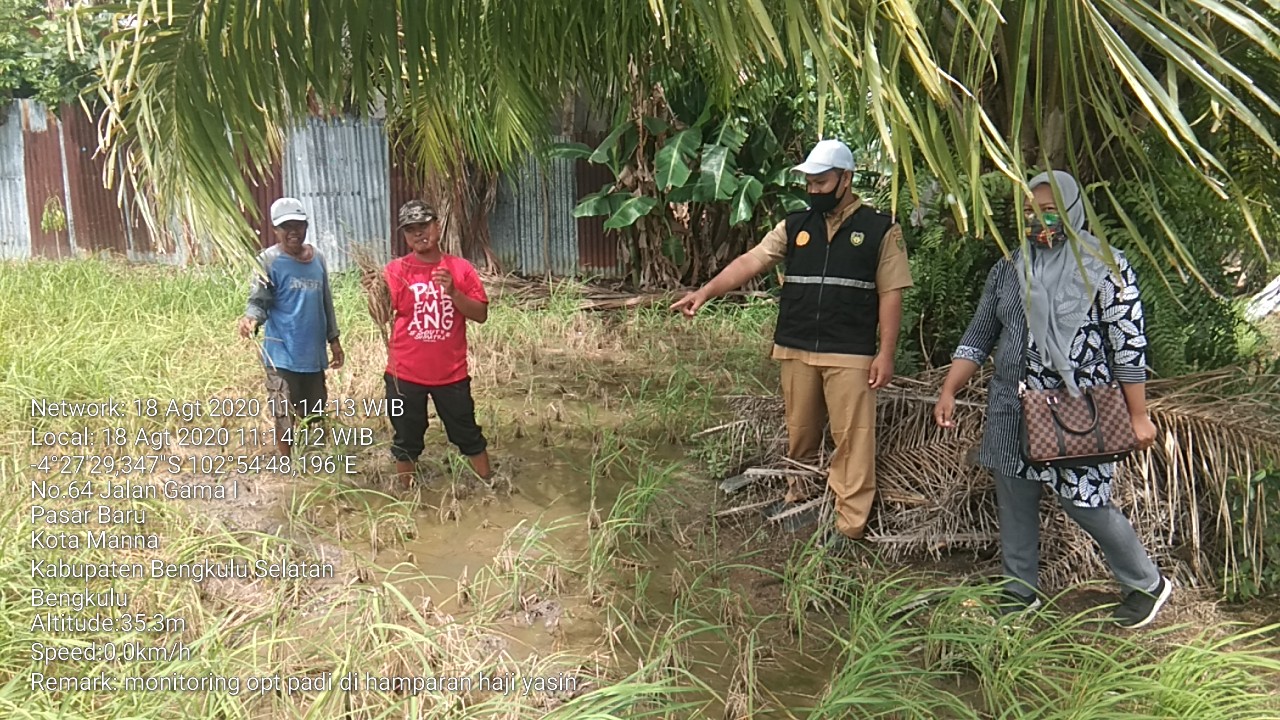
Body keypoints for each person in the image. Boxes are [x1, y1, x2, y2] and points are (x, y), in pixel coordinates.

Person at [933, 170, 1171, 629]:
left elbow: (1128, 346)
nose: (1036, 219)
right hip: (1011, 406)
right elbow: (980, 335)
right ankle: (1019, 594)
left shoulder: (1104, 267)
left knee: (1085, 501)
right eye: (1027, 210)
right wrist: (949, 388)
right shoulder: (1008, 268)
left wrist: (1139, 415)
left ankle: (1147, 584)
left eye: (1048, 209)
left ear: (1070, 211)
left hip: (1077, 408)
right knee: (1014, 496)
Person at [672, 139, 913, 550]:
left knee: (853, 439)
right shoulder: (795, 225)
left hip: (849, 352)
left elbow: (892, 293)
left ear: (846, 179)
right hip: (796, 345)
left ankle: (848, 525)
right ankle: (797, 499)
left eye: (821, 182)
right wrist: (706, 292)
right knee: (800, 433)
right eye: (810, 183)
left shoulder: (880, 230)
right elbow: (752, 260)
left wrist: (885, 353)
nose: (814, 190)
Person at [383, 199, 499, 491]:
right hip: (404, 374)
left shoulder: (459, 268)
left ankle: (489, 486)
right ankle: (405, 496)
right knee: (406, 439)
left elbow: (481, 314)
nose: (419, 234)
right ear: (405, 236)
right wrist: (375, 293)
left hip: (451, 374)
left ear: (437, 226)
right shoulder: (395, 270)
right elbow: (383, 314)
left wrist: (453, 292)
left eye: (424, 226)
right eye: (411, 230)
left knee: (467, 434)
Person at [238, 197, 345, 456]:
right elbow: (258, 301)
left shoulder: (317, 259)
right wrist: (251, 319)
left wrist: (334, 340)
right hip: (281, 355)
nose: (293, 232)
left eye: (298, 225)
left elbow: (325, 302)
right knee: (284, 414)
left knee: (316, 413)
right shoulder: (268, 261)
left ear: (306, 226)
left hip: (313, 355)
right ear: (276, 231)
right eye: (286, 227)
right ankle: (287, 466)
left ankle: (315, 461)